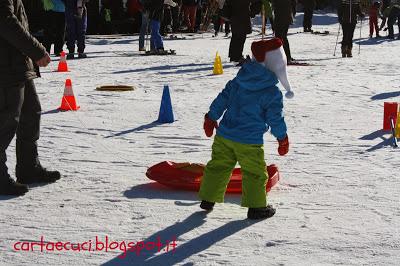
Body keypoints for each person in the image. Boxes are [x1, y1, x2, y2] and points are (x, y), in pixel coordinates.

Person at [198, 38, 293, 220]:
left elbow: (222, 99)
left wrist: (211, 117)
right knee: (255, 173)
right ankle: (257, 207)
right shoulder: (271, 92)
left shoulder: (239, 80)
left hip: (225, 135)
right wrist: (282, 138)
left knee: (218, 166)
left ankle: (208, 198)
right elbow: (275, 118)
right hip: (249, 142)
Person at [0, 0, 61, 196]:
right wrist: (36, 50)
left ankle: (28, 168)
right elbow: (6, 21)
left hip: (17, 64)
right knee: (7, 121)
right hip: (6, 66)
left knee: (31, 113)